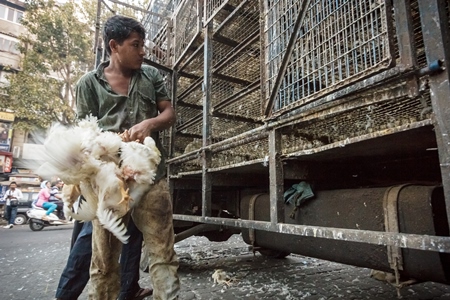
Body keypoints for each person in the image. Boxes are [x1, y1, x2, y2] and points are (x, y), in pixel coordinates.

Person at [55, 15, 180, 300]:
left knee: (163, 252)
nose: (143, 51)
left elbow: (169, 113)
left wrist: (149, 124)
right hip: (109, 183)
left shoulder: (151, 76)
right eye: (136, 45)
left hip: (150, 179)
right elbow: (85, 134)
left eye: (143, 44)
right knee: (103, 262)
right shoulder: (88, 84)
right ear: (114, 46)